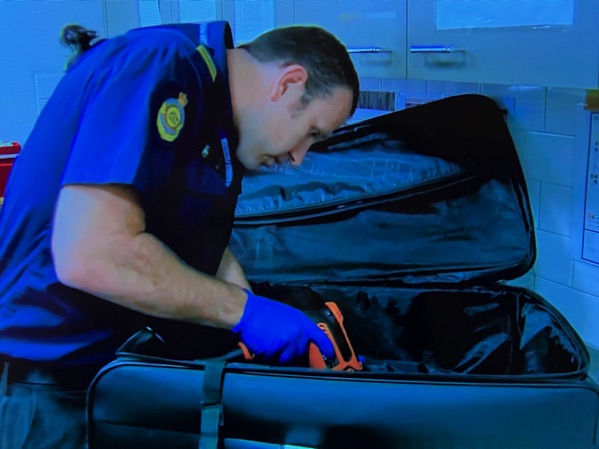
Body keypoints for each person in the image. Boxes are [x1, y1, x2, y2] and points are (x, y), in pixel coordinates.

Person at [0, 19, 359, 448]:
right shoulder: (162, 63)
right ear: (288, 84)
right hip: (47, 386)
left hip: (110, 375)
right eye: (312, 133)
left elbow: (195, 238)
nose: (299, 158)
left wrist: (252, 318)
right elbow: (92, 253)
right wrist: (244, 312)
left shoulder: (217, 118)